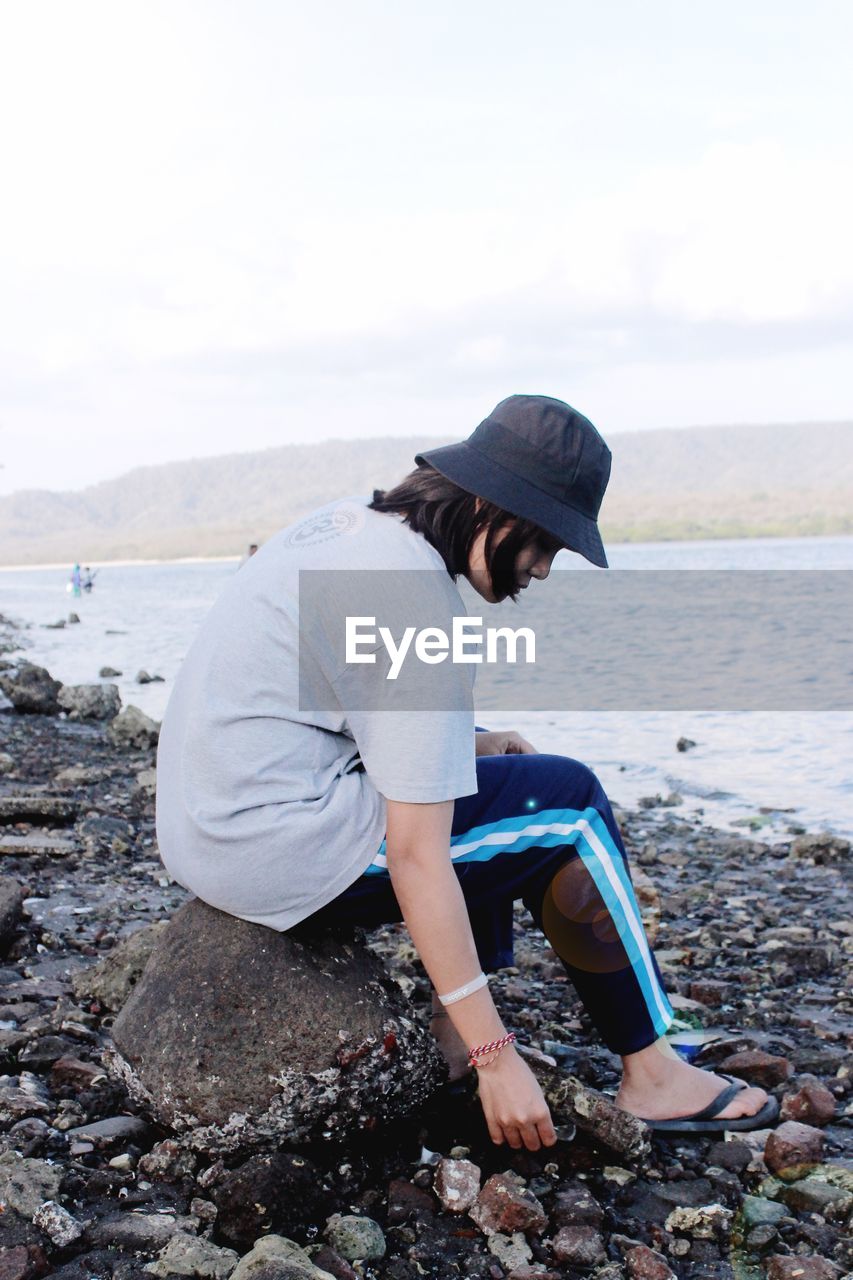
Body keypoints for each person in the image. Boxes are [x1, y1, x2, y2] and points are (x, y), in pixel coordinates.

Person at [155, 395, 777, 1150]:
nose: (543, 570)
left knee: (485, 770)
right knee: (567, 803)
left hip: (213, 825)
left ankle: (448, 1034)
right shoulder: (408, 599)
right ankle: (651, 1074)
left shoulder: (355, 526)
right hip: (273, 847)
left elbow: (332, 693)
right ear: (488, 506)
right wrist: (498, 1059)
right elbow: (418, 857)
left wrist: (464, 739)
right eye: (544, 541)